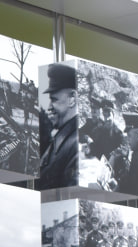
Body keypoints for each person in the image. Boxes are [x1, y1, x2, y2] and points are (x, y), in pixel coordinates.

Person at [38, 63, 79, 191]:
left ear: (72, 99)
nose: (49, 106)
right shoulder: (62, 137)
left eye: (54, 99)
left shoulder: (75, 144)